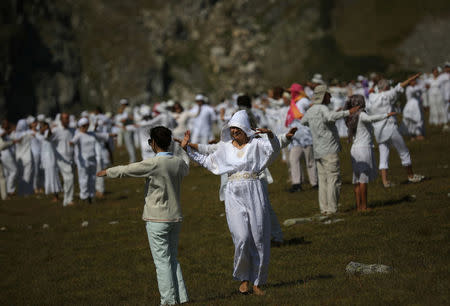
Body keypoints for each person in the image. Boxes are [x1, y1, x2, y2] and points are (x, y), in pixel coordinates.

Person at [181, 110, 280, 295]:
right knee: (242, 237)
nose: (234, 132)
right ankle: (244, 278)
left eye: (238, 129)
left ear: (245, 129)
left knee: (259, 236)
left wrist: (272, 135)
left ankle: (258, 282)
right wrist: (186, 149)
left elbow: (275, 149)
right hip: (234, 192)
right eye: (232, 129)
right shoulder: (225, 148)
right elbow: (206, 161)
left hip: (254, 189)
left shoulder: (257, 144)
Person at [97, 126, 189, 305]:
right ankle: (182, 297)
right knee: (173, 259)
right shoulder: (177, 162)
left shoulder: (153, 163)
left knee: (162, 262)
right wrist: (184, 149)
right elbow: (186, 166)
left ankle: (168, 301)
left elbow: (128, 169)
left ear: (153, 143)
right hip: (175, 217)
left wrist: (107, 172)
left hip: (157, 218)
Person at [301, 85, 360, 215]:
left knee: (323, 181)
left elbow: (303, 121)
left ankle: (325, 209)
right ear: (323, 96)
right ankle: (333, 210)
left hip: (318, 151)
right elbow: (328, 117)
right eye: (328, 94)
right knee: (333, 179)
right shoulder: (323, 108)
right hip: (329, 150)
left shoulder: (311, 110)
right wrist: (348, 112)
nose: (331, 97)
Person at [366, 74, 424, 187]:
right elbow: (400, 86)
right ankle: (411, 176)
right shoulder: (387, 94)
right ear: (386, 87)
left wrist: (375, 82)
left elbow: (371, 90)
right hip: (390, 128)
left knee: (383, 155)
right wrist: (410, 79)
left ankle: (385, 182)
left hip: (378, 131)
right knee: (404, 151)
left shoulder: (372, 97)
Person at [344, 95, 396, 211]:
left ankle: (359, 206)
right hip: (363, 149)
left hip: (355, 149)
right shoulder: (361, 114)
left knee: (357, 179)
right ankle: (364, 206)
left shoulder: (352, 116)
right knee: (363, 180)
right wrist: (386, 115)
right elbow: (371, 119)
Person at [285, 83, 318, 192]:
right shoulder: (294, 103)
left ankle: (315, 183)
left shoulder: (303, 101)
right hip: (295, 138)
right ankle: (297, 183)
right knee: (293, 159)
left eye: (291, 92)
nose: (290, 94)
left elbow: (311, 110)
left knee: (310, 161)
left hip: (306, 135)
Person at [51, 112, 76, 206]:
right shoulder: (56, 131)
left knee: (70, 179)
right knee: (69, 178)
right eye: (65, 118)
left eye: (68, 118)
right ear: (61, 120)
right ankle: (68, 200)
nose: (67, 120)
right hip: (62, 159)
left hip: (71, 158)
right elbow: (48, 139)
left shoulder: (72, 130)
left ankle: (67, 200)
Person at [37, 122, 62, 202]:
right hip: (46, 159)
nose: (40, 129)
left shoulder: (49, 134)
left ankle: (56, 196)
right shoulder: (42, 135)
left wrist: (48, 128)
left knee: (53, 177)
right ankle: (54, 195)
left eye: (42, 127)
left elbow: (48, 135)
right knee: (50, 177)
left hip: (50, 159)